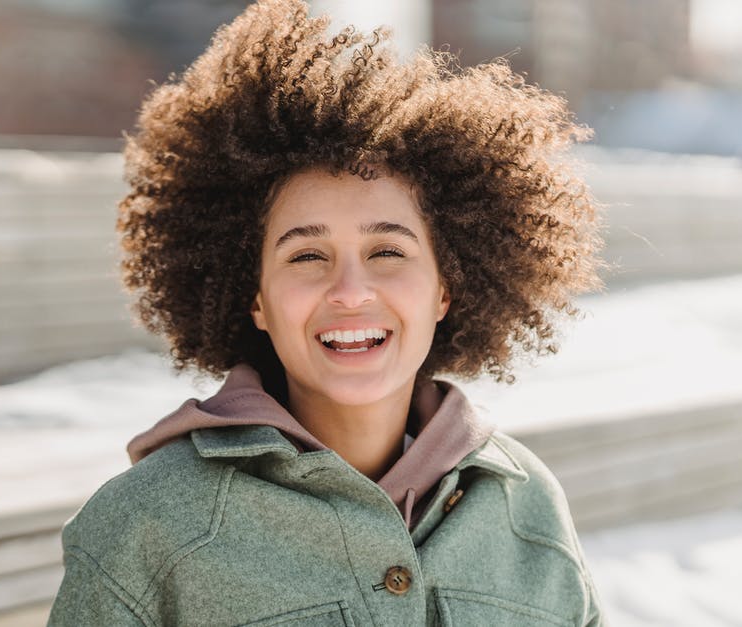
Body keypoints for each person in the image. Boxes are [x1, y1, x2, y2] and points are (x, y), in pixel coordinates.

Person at [49, 0, 606, 624]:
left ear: (447, 288)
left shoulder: (527, 506)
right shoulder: (145, 526)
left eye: (388, 250)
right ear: (255, 298)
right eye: (307, 254)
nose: (349, 289)